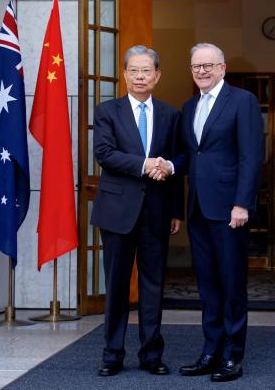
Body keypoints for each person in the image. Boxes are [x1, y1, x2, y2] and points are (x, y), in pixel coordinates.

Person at [91, 45, 182, 377]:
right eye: (134, 70)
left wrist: (175, 210)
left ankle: (151, 354)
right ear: (125, 74)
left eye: (147, 71)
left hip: (157, 211)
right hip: (117, 211)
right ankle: (112, 353)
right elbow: (105, 154)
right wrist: (146, 165)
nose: (140, 76)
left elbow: (175, 165)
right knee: (116, 285)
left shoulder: (171, 115)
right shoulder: (107, 111)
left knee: (153, 284)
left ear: (157, 76)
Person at [175, 43, 264, 382]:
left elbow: (251, 156)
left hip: (230, 210)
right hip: (198, 208)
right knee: (208, 285)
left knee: (231, 284)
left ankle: (232, 355)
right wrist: (167, 166)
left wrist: (242, 203)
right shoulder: (189, 106)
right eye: (196, 66)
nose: (202, 71)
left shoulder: (243, 101)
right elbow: (190, 156)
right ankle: (210, 351)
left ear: (223, 68)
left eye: (208, 65)